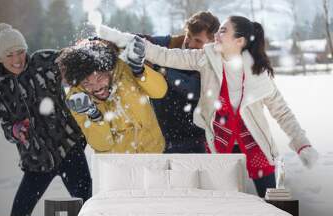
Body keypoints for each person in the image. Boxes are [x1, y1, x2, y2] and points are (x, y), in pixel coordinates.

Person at [97, 16, 319, 197]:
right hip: (219, 144)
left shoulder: (258, 75)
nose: (216, 35)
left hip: (255, 146)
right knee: (225, 201)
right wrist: (122, 39)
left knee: (271, 201)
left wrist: (302, 145)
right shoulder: (206, 58)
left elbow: (282, 112)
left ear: (239, 41)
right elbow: (165, 55)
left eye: (223, 31)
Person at [0, 23, 91, 216]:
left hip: (68, 149)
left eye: (20, 52)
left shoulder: (44, 61)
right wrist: (15, 130)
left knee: (87, 208)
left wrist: (85, 47)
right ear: (0, 59)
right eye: (9, 55)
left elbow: (72, 60)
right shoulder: (1, 92)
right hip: (36, 161)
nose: (17, 60)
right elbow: (7, 128)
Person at [56, 39, 167, 153]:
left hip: (154, 152)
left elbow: (160, 92)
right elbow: (102, 145)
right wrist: (94, 116)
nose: (96, 87)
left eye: (99, 78)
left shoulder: (126, 68)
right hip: (115, 164)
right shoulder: (78, 99)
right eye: (86, 83)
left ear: (109, 70)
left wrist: (140, 72)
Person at [142, 11, 220, 153]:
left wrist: (160, 69)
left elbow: (194, 89)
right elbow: (144, 41)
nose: (189, 43)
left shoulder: (214, 63)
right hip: (161, 136)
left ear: (212, 43)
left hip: (195, 138)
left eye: (198, 41)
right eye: (188, 36)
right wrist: (109, 40)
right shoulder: (171, 44)